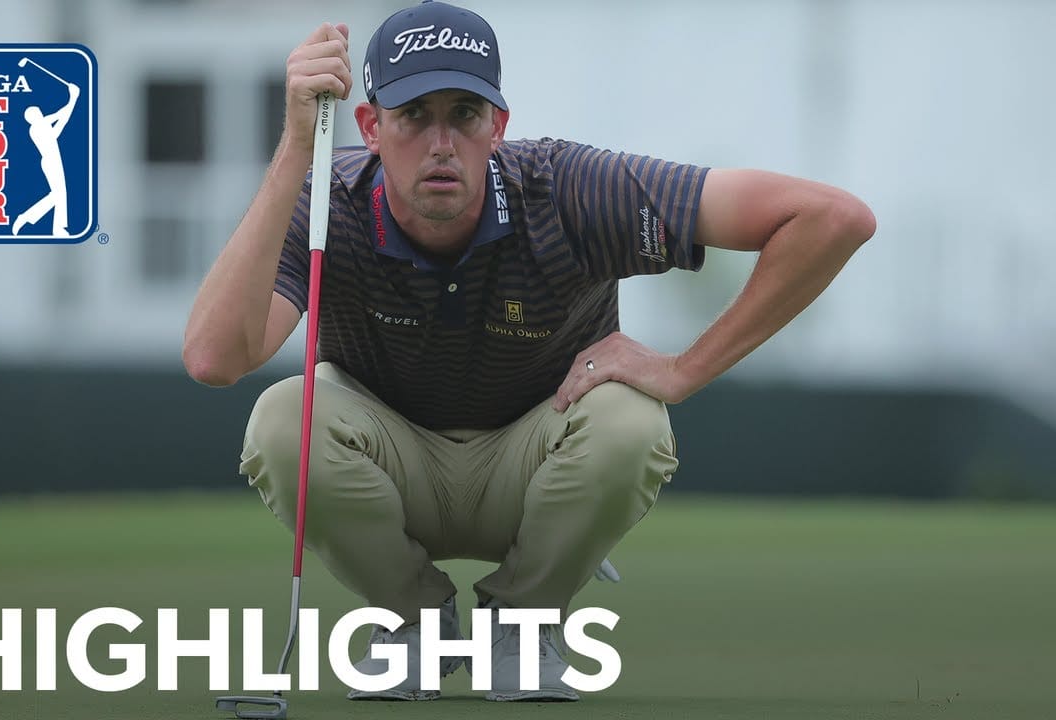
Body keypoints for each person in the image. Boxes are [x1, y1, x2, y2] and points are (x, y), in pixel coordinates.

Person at [183, 0, 875, 703]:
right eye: (414, 115)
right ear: (369, 127)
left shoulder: (570, 189)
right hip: (388, 467)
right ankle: (412, 620)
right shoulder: (328, 199)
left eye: (465, 114)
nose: (441, 142)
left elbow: (830, 218)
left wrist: (683, 370)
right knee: (281, 417)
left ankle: (521, 622)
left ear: (498, 126)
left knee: (632, 421)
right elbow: (215, 359)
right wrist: (296, 150)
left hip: (539, 468)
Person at [12, 81, 80, 237]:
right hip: (50, 161)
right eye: (36, 112)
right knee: (58, 194)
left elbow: (62, 119)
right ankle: (30, 218)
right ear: (32, 117)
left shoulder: (43, 124)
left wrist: (73, 98)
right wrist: (73, 97)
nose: (40, 112)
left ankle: (54, 227)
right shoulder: (36, 127)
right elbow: (60, 119)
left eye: (39, 111)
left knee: (59, 194)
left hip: (54, 159)